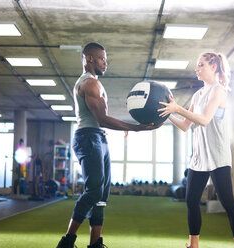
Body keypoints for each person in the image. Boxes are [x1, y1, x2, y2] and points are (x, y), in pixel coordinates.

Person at [56, 42, 160, 248]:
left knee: (102, 194)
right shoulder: (89, 84)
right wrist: (137, 128)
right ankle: (67, 242)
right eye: (103, 58)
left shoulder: (96, 83)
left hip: (98, 137)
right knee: (94, 190)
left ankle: (95, 243)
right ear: (90, 58)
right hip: (88, 137)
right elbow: (102, 118)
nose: (106, 62)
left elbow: (102, 122)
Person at [158, 52, 234, 248]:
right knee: (191, 200)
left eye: (201, 65)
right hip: (199, 158)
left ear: (213, 67)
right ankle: (193, 245)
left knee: (228, 202)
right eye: (197, 66)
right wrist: (167, 114)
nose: (197, 69)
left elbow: (204, 120)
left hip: (218, 156)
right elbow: (186, 125)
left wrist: (177, 108)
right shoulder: (197, 95)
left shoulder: (218, 91)